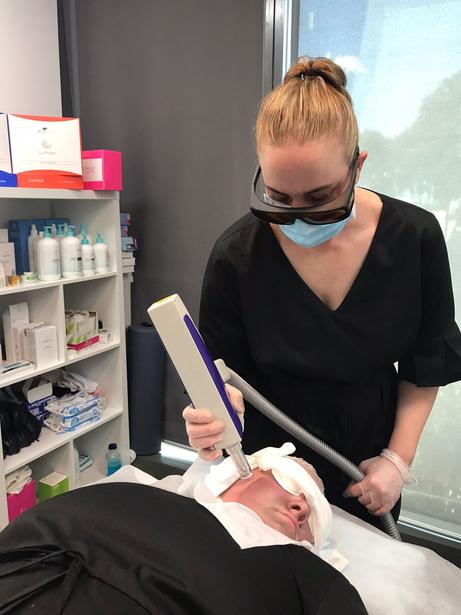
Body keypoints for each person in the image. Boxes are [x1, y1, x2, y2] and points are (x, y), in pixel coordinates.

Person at [183, 55, 461, 527]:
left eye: (320, 199)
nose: (298, 218)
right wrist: (213, 420)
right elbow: (222, 376)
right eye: (278, 198)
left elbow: (427, 362)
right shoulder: (237, 255)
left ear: (358, 167)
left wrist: (397, 460)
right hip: (272, 467)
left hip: (369, 462)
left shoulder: (415, 238)